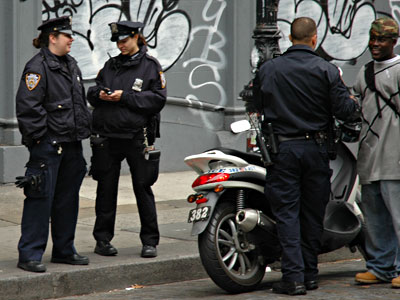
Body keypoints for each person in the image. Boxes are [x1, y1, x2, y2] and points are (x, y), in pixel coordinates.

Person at [255, 17, 359, 295]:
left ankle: (294, 277)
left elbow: (255, 102)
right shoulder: (327, 69)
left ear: (290, 38)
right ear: (314, 39)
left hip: (283, 149)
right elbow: (344, 111)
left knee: (287, 213)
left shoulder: (269, 68)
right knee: (313, 213)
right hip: (316, 149)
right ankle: (310, 274)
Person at [15, 16, 92, 273]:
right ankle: (29, 254)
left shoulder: (70, 64)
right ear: (53, 37)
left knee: (67, 200)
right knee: (40, 199)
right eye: (67, 35)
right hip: (49, 146)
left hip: (71, 144)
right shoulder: (37, 67)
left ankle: (64, 249)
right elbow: (28, 107)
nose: (72, 39)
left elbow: (78, 104)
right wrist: (40, 139)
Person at [87, 21, 166, 258]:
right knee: (105, 189)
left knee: (142, 187)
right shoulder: (111, 66)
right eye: (117, 42)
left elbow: (157, 99)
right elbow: (92, 92)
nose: (120, 45)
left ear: (136, 37)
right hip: (108, 137)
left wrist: (125, 97)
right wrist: (99, 94)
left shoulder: (150, 66)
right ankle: (102, 240)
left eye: (124, 41)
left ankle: (150, 241)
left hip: (136, 137)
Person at [353, 17, 400, 288]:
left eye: (381, 39)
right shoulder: (365, 70)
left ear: (393, 41)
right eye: (372, 38)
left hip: (394, 156)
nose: (375, 44)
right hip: (370, 156)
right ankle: (380, 267)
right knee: (375, 217)